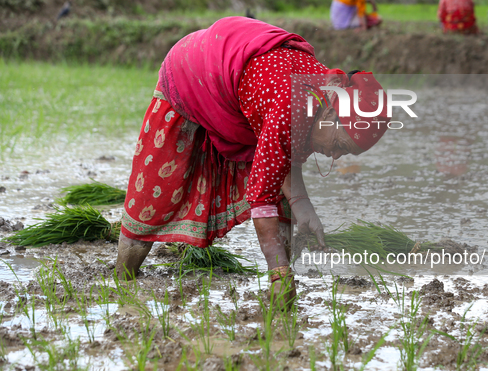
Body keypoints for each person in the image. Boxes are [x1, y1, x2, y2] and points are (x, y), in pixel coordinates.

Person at [115, 17, 391, 308]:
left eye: (343, 153)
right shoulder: (292, 105)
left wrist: (301, 203)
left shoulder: (321, 94)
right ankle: (123, 282)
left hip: (236, 82)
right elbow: (262, 198)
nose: (334, 156)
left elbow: (284, 150)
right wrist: (278, 273)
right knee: (156, 193)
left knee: (280, 193)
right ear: (331, 116)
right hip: (191, 71)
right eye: (339, 145)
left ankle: (283, 281)